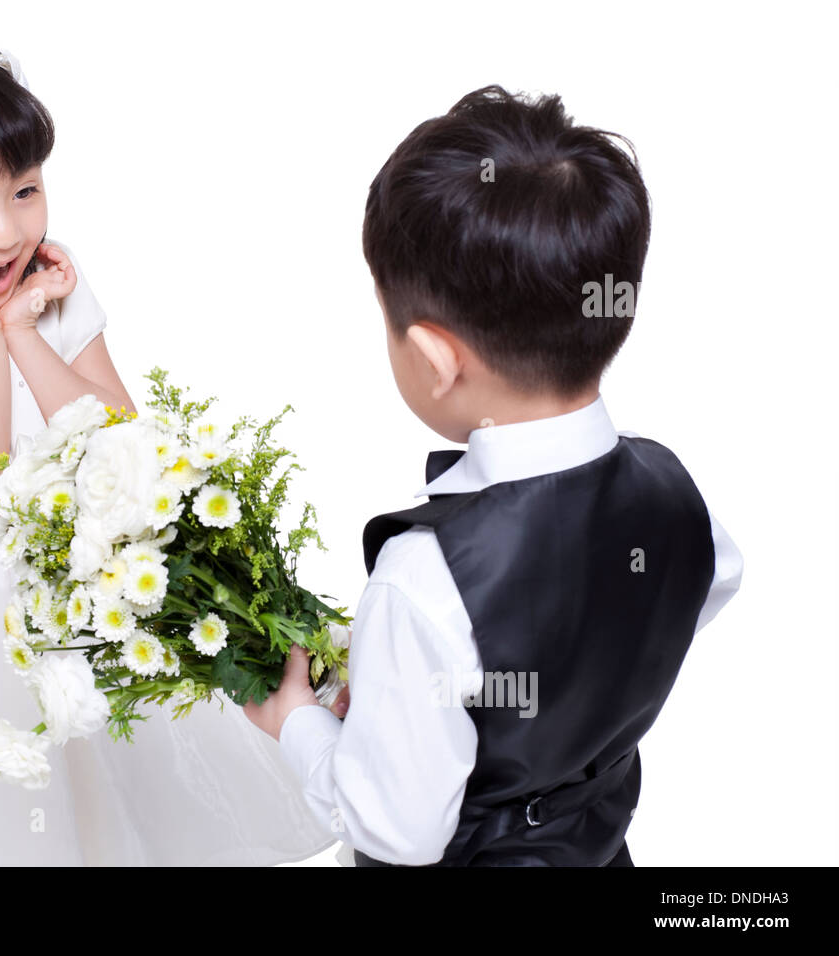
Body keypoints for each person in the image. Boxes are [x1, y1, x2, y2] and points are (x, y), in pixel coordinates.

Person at [0, 34, 337, 865]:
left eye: (25, 189)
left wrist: (19, 333)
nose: (5, 231)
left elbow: (125, 451)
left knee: (97, 813)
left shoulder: (42, 286)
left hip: (63, 605)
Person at [243, 85, 744, 866]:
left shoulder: (424, 576)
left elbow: (398, 830)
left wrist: (298, 722)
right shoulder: (675, 493)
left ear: (437, 359)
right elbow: (706, 585)